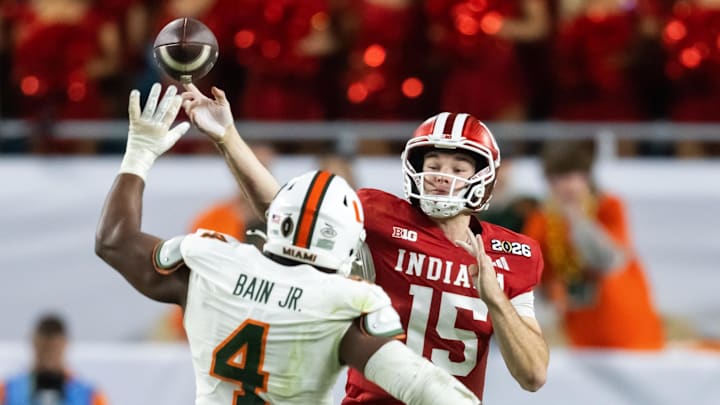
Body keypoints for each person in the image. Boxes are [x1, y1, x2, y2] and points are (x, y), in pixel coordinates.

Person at [94, 83, 480, 405]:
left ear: (277, 220)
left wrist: (139, 154)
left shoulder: (214, 262)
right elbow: (422, 387)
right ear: (346, 242)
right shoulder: (344, 302)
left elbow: (114, 241)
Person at [180, 83, 550, 402]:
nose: (442, 177)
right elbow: (285, 211)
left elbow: (533, 375)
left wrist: (496, 300)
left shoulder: (512, 254)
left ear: (482, 177)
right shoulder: (379, 218)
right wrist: (227, 137)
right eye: (434, 165)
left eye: (457, 168)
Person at [522, 141, 664, 350]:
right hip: (580, 329)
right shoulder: (542, 220)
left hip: (627, 322)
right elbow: (531, 275)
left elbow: (609, 260)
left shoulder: (608, 207)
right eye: (556, 179)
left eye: (571, 177)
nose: (565, 186)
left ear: (586, 178)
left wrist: (577, 219)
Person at [0, 314, 108, 405]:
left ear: (65, 344)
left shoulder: (90, 396)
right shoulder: (6, 391)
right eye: (44, 348)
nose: (49, 356)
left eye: (54, 349)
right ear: (33, 343)